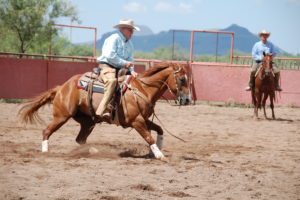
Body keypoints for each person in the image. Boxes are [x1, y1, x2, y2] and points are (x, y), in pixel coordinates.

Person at [96, 19, 139, 119]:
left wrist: (132, 71)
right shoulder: (113, 38)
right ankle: (103, 109)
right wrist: (124, 63)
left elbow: (130, 59)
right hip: (107, 67)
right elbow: (110, 56)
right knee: (112, 81)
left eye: (132, 30)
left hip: (120, 70)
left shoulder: (129, 44)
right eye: (130, 30)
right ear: (123, 29)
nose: (132, 33)